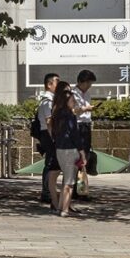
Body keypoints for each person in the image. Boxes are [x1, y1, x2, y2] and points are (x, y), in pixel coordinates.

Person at [47, 80, 87, 217]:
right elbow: (75, 135)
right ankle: (64, 209)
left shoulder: (56, 115)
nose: (74, 102)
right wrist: (82, 152)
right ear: (67, 101)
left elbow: (52, 132)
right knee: (69, 182)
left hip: (59, 149)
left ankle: (60, 206)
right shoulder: (70, 116)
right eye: (72, 100)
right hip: (70, 150)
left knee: (66, 178)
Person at [32, 73, 61, 203]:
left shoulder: (52, 100)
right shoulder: (47, 101)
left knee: (52, 162)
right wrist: (53, 136)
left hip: (49, 133)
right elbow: (49, 121)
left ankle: (49, 190)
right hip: (48, 133)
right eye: (57, 83)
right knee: (50, 163)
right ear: (49, 85)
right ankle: (47, 191)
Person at [72, 70, 98, 199]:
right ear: (82, 81)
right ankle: (75, 190)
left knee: (84, 157)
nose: (89, 86)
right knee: (78, 157)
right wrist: (84, 109)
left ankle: (81, 188)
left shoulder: (87, 94)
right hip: (78, 125)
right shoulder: (73, 94)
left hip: (86, 125)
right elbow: (72, 111)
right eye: (88, 83)